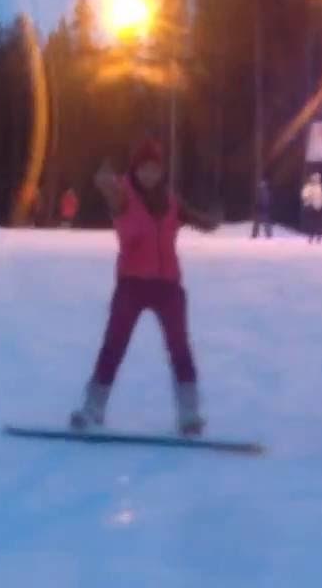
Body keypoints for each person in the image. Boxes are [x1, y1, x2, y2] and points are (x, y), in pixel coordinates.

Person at [69, 139, 219, 437]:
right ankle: (93, 408)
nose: (150, 174)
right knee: (114, 345)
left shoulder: (170, 201)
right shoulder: (123, 195)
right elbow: (107, 188)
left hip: (168, 286)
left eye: (155, 169)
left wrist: (209, 220)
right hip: (132, 284)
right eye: (144, 169)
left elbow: (197, 219)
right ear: (135, 170)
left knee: (180, 348)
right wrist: (103, 178)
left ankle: (189, 414)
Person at [300, 172, 322, 244]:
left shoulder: (320, 187)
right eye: (315, 179)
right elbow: (304, 196)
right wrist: (309, 199)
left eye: (318, 179)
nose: (317, 180)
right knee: (311, 223)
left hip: (319, 207)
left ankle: (319, 236)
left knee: (319, 223)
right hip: (311, 207)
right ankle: (311, 236)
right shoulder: (308, 187)